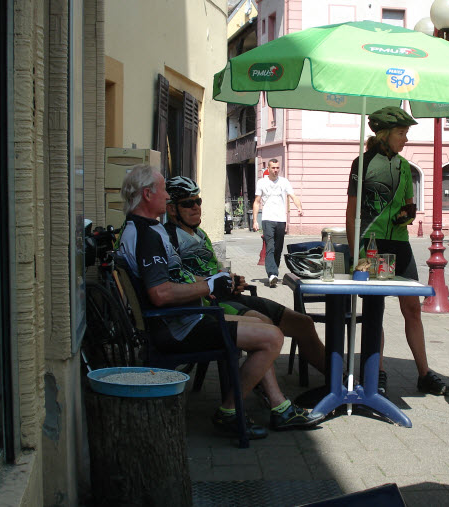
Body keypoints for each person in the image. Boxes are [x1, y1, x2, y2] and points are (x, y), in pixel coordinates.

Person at [116, 165, 321, 440]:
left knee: (266, 329)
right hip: (180, 326)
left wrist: (212, 281)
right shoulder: (146, 236)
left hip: (188, 316)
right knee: (272, 337)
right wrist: (209, 285)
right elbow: (160, 294)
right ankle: (229, 412)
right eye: (163, 190)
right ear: (146, 194)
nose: (167, 197)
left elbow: (172, 279)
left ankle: (278, 406)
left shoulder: (142, 228)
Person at [163, 176, 326, 375]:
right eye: (188, 203)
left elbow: (215, 270)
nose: (196, 207)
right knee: (265, 329)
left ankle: (336, 382)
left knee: (304, 323)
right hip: (209, 304)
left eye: (198, 201)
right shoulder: (167, 239)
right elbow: (177, 280)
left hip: (231, 296)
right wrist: (216, 282)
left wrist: (233, 279)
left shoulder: (201, 234)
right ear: (172, 209)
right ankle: (257, 388)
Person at [345, 106, 447, 398]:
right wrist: (356, 257)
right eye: (402, 133)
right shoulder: (361, 163)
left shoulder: (404, 166)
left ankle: (424, 373)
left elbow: (408, 204)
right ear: (385, 133)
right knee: (375, 309)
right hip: (372, 245)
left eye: (406, 133)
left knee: (412, 308)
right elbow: (351, 213)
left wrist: (407, 214)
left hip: (400, 244)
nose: (406, 139)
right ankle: (377, 371)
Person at [252, 158, 303, 287]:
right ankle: (272, 274)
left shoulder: (284, 182)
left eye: (277, 168)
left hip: (281, 219)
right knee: (270, 246)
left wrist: (299, 207)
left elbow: (293, 196)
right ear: (268, 169)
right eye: (273, 168)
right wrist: (254, 221)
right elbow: (257, 202)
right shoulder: (262, 182)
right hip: (267, 218)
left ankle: (274, 272)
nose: (275, 170)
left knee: (278, 247)